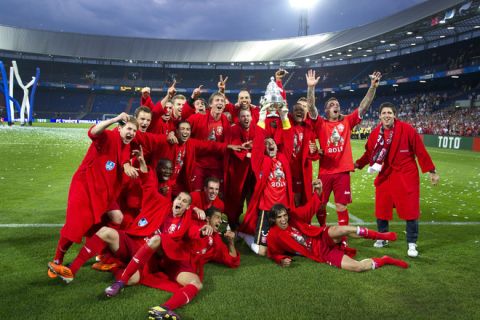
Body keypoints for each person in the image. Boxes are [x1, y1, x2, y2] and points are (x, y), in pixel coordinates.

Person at [48, 113, 139, 275]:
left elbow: (123, 161)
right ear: (119, 128)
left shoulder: (127, 146)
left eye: (134, 131)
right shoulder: (109, 137)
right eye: (129, 129)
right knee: (77, 225)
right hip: (85, 187)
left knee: (116, 218)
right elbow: (93, 132)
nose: (131, 133)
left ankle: (102, 255)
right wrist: (113, 120)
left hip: (104, 192)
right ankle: (57, 260)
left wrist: (127, 166)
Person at [355, 102, 439, 257]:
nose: (387, 115)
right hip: (385, 176)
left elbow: (420, 151)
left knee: (410, 210)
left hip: (406, 175)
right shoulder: (375, 134)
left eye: (390, 113)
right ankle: (383, 237)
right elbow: (369, 154)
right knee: (381, 207)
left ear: (394, 115)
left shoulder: (406, 129)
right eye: (384, 113)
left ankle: (412, 243)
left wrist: (432, 171)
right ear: (379, 116)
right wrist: (358, 164)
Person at [314, 71, 382, 228]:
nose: (335, 106)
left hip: (342, 172)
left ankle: (343, 237)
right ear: (326, 111)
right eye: (331, 105)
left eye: (337, 104)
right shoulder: (321, 124)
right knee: (320, 205)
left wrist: (372, 87)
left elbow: (363, 107)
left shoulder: (347, 122)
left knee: (341, 206)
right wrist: (311, 88)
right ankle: (323, 229)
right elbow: (311, 109)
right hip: (325, 172)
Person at [267, 201, 409, 272]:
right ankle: (386, 260)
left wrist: (317, 193)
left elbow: (307, 209)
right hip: (321, 252)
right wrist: (281, 260)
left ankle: (380, 236)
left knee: (341, 230)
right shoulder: (273, 235)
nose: (284, 219)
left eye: (285, 215)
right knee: (357, 267)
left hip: (321, 236)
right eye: (280, 217)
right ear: (274, 219)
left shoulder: (294, 218)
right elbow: (272, 253)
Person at [238, 104, 294, 256]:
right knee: (262, 252)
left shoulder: (284, 158)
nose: (270, 144)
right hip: (267, 209)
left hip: (283, 208)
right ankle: (247, 237)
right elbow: (257, 143)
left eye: (272, 143)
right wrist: (261, 117)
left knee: (287, 245)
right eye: (266, 144)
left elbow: (289, 139)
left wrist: (284, 117)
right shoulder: (260, 162)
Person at [187, 92, 232, 191]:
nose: (220, 103)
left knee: (214, 196)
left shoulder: (226, 123)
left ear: (224, 106)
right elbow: (183, 128)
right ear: (210, 104)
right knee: (197, 193)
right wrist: (173, 133)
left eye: (222, 101)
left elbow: (228, 144)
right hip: (198, 165)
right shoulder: (197, 118)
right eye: (217, 100)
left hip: (216, 167)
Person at [224, 108, 256, 230]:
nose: (246, 118)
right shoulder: (233, 129)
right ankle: (233, 224)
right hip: (238, 170)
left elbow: (260, 144)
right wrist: (248, 154)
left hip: (252, 170)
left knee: (253, 196)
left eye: (248, 116)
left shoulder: (256, 129)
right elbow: (235, 147)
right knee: (237, 197)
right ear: (239, 118)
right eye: (243, 116)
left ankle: (251, 224)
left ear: (252, 117)